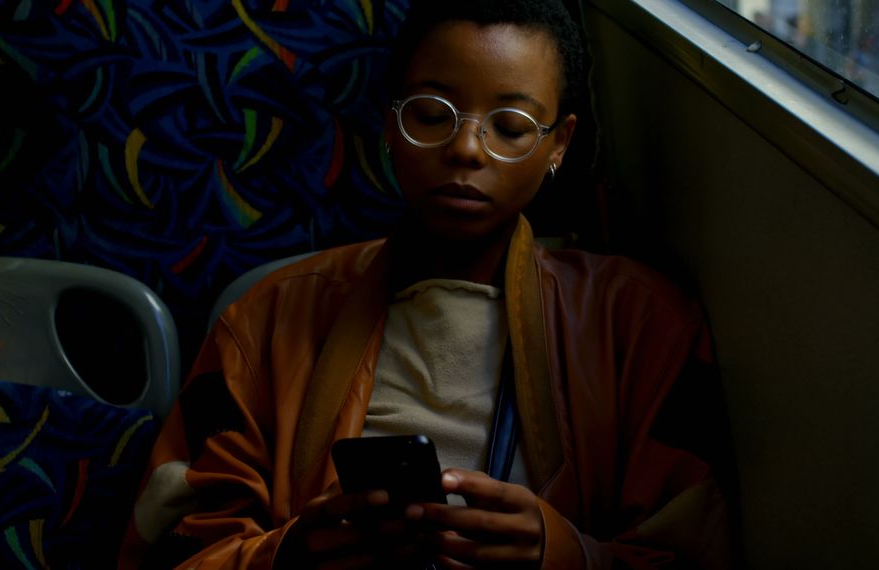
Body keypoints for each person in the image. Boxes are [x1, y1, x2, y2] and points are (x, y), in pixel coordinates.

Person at [118, 0, 735, 568]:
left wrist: (567, 554)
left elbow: (696, 551)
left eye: (512, 126)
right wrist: (291, 554)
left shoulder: (639, 323)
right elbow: (174, 546)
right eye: (431, 116)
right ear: (389, 125)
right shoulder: (267, 319)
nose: (466, 148)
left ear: (559, 145)